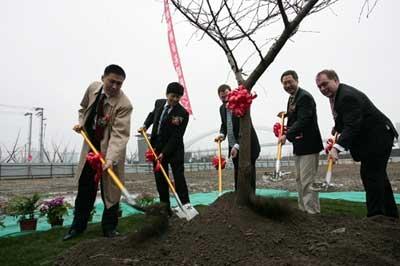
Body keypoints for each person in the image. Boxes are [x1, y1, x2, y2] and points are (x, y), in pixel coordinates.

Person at [316, 69, 399, 219]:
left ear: (336, 80)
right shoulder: (338, 96)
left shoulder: (346, 96)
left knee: (370, 174)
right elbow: (348, 118)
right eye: (319, 87)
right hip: (375, 138)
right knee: (378, 175)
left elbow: (353, 125)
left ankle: (376, 215)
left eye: (325, 84)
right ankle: (391, 214)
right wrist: (338, 127)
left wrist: (336, 148)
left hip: (377, 137)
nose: (322, 88)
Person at [63, 64, 133, 240]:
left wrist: (109, 159)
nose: (115, 87)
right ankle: (77, 227)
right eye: (112, 81)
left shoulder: (124, 104)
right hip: (91, 148)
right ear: (103, 78)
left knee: (111, 190)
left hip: (110, 150)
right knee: (85, 188)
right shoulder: (93, 88)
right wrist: (81, 122)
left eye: (119, 83)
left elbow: (119, 135)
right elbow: (83, 108)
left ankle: (109, 228)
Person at [139, 82, 192, 215]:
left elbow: (177, 136)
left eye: (178, 97)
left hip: (174, 150)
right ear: (167, 94)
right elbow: (152, 115)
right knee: (160, 179)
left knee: (179, 178)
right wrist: (145, 125)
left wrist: (164, 153)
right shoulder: (159, 103)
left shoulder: (182, 113)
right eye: (173, 96)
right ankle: (165, 208)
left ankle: (185, 207)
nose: (175, 99)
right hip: (156, 147)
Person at [279, 70, 323, 214]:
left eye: (290, 82)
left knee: (308, 181)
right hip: (299, 145)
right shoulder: (292, 98)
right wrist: (284, 129)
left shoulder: (304, 97)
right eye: (284, 83)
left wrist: (287, 134)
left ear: (297, 81)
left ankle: (312, 212)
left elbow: (303, 120)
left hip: (309, 145)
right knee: (299, 179)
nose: (287, 85)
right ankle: (303, 209)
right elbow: (293, 120)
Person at [214, 84, 260, 192]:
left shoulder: (240, 105)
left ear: (231, 94)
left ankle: (251, 197)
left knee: (249, 173)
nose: (225, 99)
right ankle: (238, 195)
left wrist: (237, 145)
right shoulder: (222, 109)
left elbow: (244, 128)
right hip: (233, 147)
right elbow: (224, 125)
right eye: (222, 97)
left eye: (227, 96)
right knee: (237, 173)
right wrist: (222, 134)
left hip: (248, 145)